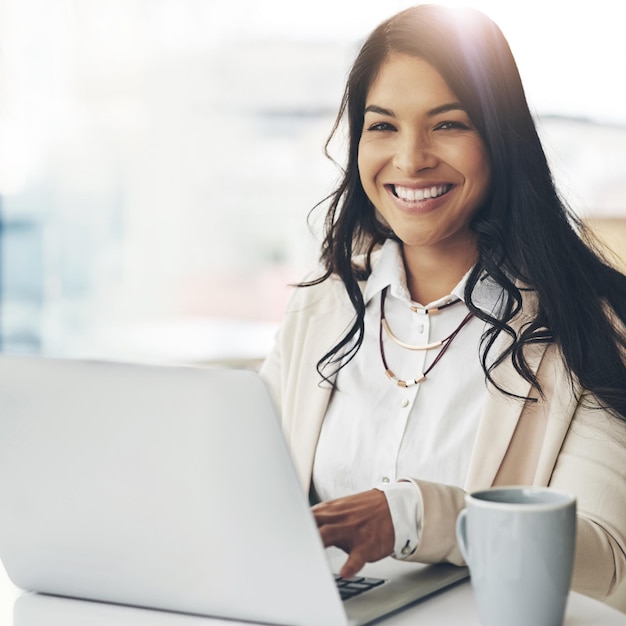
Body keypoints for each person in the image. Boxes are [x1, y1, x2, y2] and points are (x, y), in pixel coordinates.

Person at [259, 4, 626, 602]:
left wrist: (413, 515)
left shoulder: (591, 320)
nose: (410, 159)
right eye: (382, 127)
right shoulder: (322, 307)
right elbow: (250, 486)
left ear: (500, 139)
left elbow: (606, 560)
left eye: (448, 124)